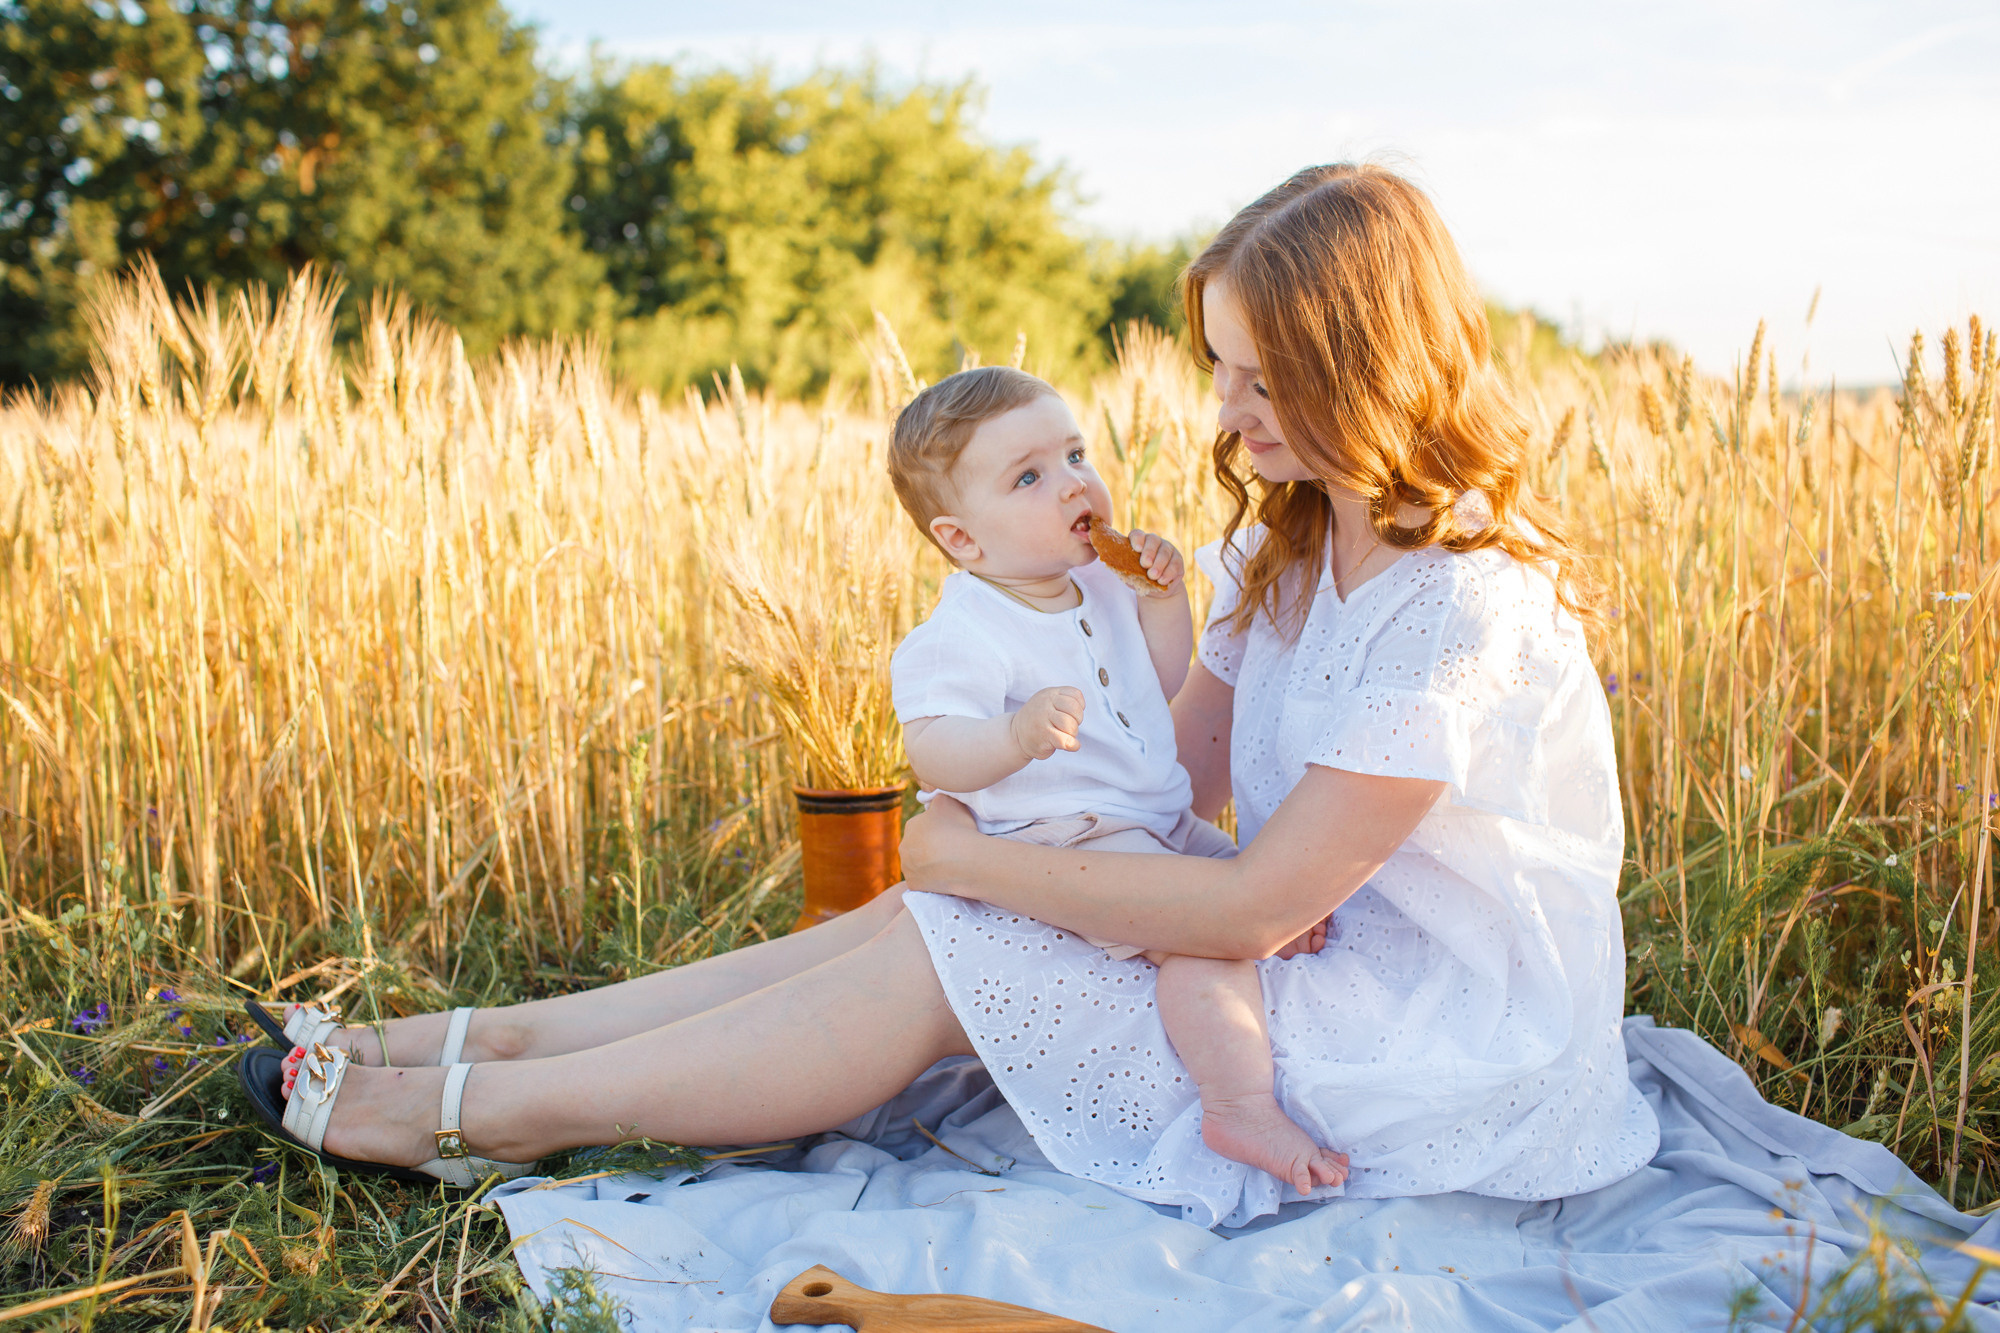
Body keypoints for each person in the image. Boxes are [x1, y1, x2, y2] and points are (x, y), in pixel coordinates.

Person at [240, 161, 1659, 1228]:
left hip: (1432, 1028)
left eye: (1260, 375)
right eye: (1219, 368)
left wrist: (983, 857)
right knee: (946, 909)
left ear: (1368, 364)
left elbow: (1248, 905)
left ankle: (494, 1116)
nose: (1224, 413)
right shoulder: (1275, 547)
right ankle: (452, 1049)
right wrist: (995, 830)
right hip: (1280, 951)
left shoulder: (1463, 602)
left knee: (961, 931)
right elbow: (1176, 777)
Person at [884, 365, 1348, 1196]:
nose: (1072, 484)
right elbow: (934, 751)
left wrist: (1163, 599)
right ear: (962, 539)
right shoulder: (964, 629)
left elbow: (1159, 682)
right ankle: (1236, 1101)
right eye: (1029, 477)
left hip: (1152, 814)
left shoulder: (1099, 582)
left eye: (1074, 453)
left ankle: (1271, 921)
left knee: (1250, 871)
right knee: (1206, 941)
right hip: (1071, 834)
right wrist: (1014, 735)